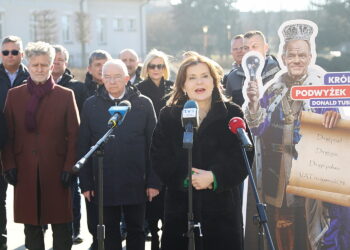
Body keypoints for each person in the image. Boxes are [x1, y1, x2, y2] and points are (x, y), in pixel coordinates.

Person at [244, 21, 341, 249]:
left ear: (310, 57)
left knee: (308, 229)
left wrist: (332, 119)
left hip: (311, 174)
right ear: (283, 56)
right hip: (275, 174)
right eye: (291, 54)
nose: (296, 60)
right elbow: (258, 129)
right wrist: (255, 103)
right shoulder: (273, 89)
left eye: (302, 55)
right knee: (279, 227)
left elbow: (336, 137)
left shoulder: (322, 89)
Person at [151, 54, 252, 250]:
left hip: (222, 212)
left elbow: (243, 157)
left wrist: (215, 177)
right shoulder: (169, 115)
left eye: (205, 76)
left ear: (214, 81)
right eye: (192, 77)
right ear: (183, 84)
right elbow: (159, 157)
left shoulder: (232, 113)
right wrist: (186, 177)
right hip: (180, 209)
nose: (199, 82)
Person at [2, 41, 79, 249]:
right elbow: (7, 135)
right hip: (24, 169)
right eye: (35, 65)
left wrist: (69, 167)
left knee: (62, 228)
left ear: (52, 66)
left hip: (57, 170)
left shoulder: (65, 95)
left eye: (44, 65)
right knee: (32, 230)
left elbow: (74, 135)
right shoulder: (14, 95)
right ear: (28, 64)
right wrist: (8, 165)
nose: (39, 69)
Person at [78, 59, 160, 250]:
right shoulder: (91, 105)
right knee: (109, 232)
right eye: (107, 77)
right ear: (101, 79)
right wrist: (87, 183)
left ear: (126, 78)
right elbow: (84, 145)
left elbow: (154, 145)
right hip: (104, 182)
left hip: (136, 180)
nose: (112, 81)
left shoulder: (143, 104)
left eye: (116, 77)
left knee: (137, 230)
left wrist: (154, 182)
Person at [137, 49, 173, 250]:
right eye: (152, 66)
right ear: (146, 68)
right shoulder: (139, 89)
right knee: (151, 197)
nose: (156, 69)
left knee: (168, 194)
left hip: (170, 145)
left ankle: (166, 236)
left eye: (160, 65)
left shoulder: (173, 87)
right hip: (148, 145)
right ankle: (153, 236)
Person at [52, 44, 86, 244]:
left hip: (70, 149)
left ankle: (74, 229)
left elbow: (81, 119)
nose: (56, 63)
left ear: (66, 62)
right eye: (53, 60)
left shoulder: (77, 87)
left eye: (60, 60)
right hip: (48, 150)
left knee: (72, 191)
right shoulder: (36, 84)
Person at [0, 35, 29, 250]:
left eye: (15, 52)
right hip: (1, 145)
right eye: (5, 52)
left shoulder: (33, 77)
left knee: (29, 195)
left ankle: (34, 240)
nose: (10, 56)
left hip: (26, 146)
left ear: (22, 54)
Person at [225, 31, 280, 106]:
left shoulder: (280, 74)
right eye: (246, 48)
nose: (250, 51)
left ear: (265, 48)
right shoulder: (233, 77)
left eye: (254, 46)